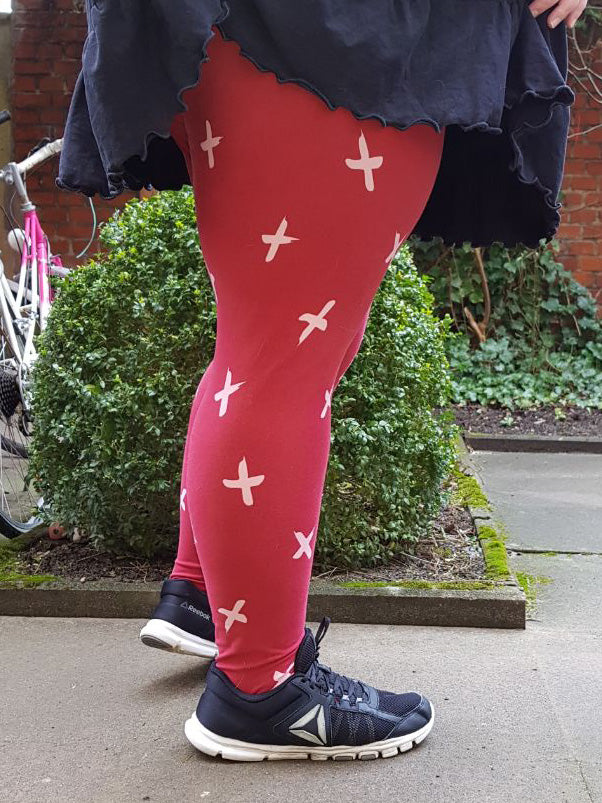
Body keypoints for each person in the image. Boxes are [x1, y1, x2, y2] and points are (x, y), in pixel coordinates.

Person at [56, 0, 584, 761]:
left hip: (289, 30)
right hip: (328, 31)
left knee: (272, 348)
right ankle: (259, 689)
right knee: (282, 363)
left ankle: (206, 597)